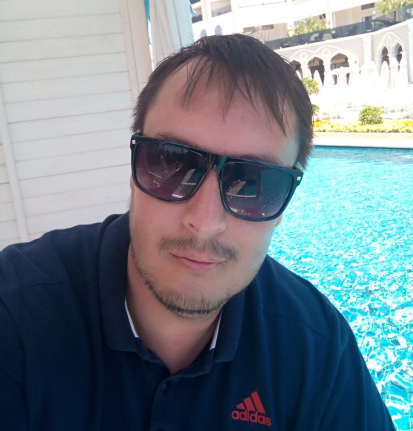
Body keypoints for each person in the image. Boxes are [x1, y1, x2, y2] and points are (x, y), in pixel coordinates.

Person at [0, 34, 395, 430]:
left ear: (284, 205)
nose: (205, 221)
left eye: (254, 182)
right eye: (171, 162)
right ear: (134, 170)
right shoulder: (18, 312)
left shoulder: (317, 348)